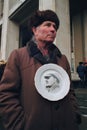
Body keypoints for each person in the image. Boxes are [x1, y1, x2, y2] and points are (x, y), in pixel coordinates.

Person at [0, 9, 81, 130]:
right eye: (47, 25)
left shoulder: (62, 59)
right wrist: (18, 125)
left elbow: (70, 92)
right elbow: (6, 94)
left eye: (55, 26)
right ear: (34, 30)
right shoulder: (18, 56)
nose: (53, 29)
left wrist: (74, 115)